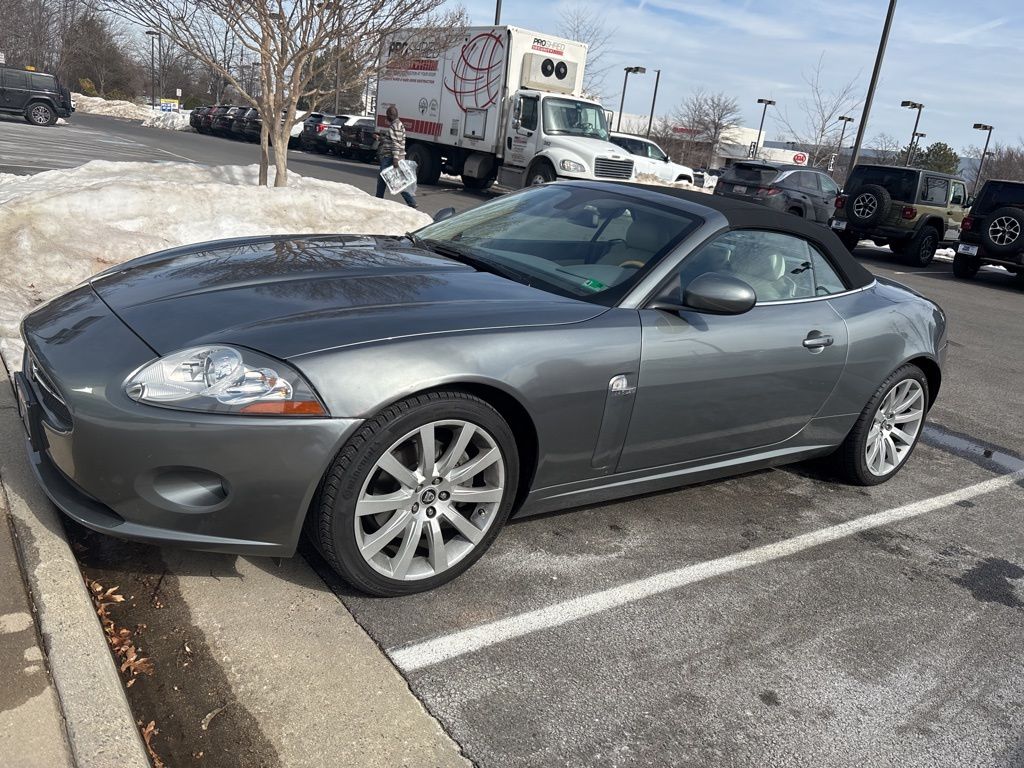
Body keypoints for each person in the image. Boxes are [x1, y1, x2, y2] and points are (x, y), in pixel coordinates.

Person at [375, 105, 416, 208]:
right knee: (388, 178)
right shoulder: (396, 125)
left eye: (387, 115)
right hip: (391, 156)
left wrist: (395, 158)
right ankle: (378, 198)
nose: (386, 117)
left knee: (392, 180)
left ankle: (411, 201)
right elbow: (391, 140)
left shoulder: (396, 126)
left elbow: (396, 143)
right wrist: (380, 138)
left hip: (390, 157)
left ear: (390, 115)